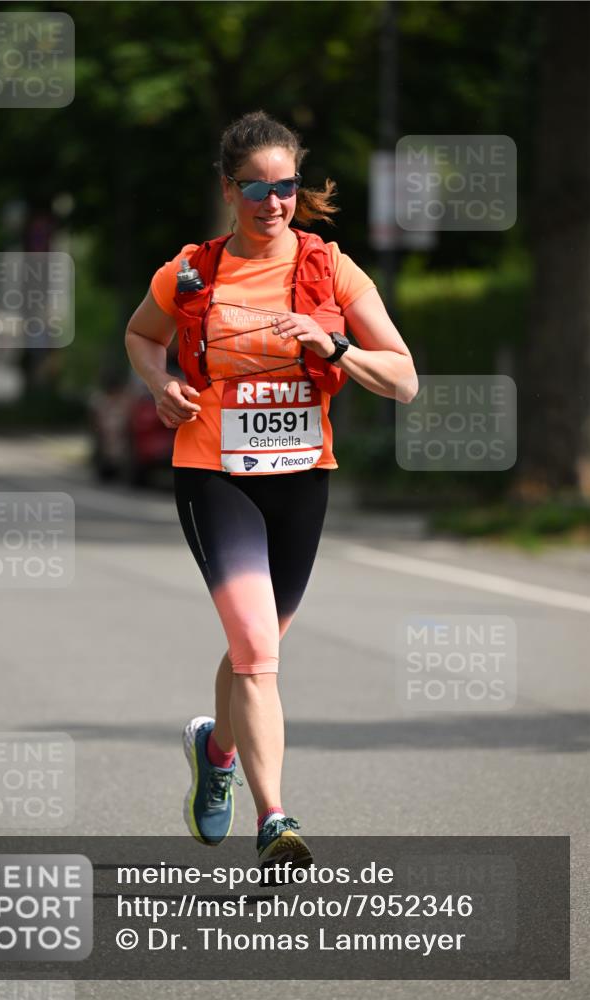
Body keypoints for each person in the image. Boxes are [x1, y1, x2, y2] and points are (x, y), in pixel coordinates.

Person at [125, 110, 417, 874]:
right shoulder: (190, 273)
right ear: (230, 190)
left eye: (284, 186)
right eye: (255, 186)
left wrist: (336, 346)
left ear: (298, 188)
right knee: (256, 649)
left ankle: (214, 749)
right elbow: (141, 334)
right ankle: (274, 819)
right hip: (212, 472)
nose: (272, 201)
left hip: (300, 476)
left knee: (258, 646)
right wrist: (161, 385)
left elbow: (404, 380)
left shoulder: (331, 271)